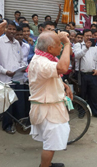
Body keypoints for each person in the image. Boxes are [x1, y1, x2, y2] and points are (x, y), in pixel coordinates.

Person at [28, 30, 72, 167]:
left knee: (50, 142)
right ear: (50, 49)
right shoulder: (42, 63)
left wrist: (64, 85)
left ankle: (47, 164)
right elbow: (63, 67)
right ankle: (44, 166)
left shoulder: (43, 57)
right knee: (50, 145)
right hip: (48, 111)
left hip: (48, 108)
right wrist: (67, 43)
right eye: (59, 45)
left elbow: (50, 76)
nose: (61, 47)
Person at [0, 20, 29, 134]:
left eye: (14, 29)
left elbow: (21, 60)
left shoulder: (17, 43)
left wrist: (22, 67)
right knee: (8, 105)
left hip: (18, 78)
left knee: (19, 103)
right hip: (5, 79)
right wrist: (5, 71)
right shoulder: (0, 42)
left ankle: (19, 124)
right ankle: (7, 126)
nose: (12, 31)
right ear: (5, 29)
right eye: (10, 28)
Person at [73, 29, 97, 120]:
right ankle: (82, 111)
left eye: (91, 35)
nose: (89, 37)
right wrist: (86, 48)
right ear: (83, 36)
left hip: (93, 75)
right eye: (87, 35)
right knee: (82, 94)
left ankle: (96, 112)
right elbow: (76, 56)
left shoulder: (95, 47)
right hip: (82, 74)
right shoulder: (78, 45)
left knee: (94, 94)